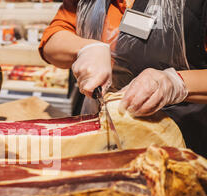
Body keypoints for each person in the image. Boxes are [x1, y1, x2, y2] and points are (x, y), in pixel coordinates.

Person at [39, 0, 207, 157]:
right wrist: (85, 47)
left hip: (180, 143)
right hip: (101, 141)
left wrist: (175, 83)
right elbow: (52, 39)